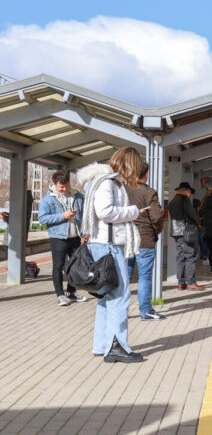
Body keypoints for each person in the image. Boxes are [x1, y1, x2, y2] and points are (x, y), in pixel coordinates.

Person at [77, 147, 145, 364]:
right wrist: (133, 211)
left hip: (103, 244)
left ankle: (102, 344)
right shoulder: (108, 182)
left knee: (107, 296)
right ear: (129, 165)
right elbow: (105, 212)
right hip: (108, 246)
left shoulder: (100, 180)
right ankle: (116, 346)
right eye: (135, 168)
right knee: (120, 295)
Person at [38, 170, 86, 307]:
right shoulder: (48, 199)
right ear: (54, 184)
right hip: (58, 238)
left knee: (75, 266)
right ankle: (60, 295)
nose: (64, 189)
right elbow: (42, 218)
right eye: (61, 187)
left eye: (67, 186)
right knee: (58, 267)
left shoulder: (77, 196)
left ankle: (71, 292)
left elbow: (82, 216)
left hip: (75, 237)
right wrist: (62, 216)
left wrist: (84, 234)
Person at [125, 162, 165, 320]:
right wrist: (155, 231)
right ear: (146, 175)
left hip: (126, 239)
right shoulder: (149, 193)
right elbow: (157, 217)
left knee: (125, 277)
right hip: (145, 239)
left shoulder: (122, 190)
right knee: (144, 277)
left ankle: (121, 311)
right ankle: (146, 311)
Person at [168, 182, 204, 291]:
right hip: (186, 232)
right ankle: (191, 282)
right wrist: (199, 221)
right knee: (190, 255)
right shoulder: (184, 199)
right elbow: (193, 213)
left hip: (176, 232)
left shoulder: (172, 201)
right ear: (187, 191)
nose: (190, 195)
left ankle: (181, 283)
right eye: (189, 193)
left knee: (180, 256)